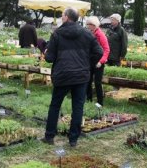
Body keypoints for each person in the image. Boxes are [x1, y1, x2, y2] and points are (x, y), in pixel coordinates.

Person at [42, 8, 103, 147]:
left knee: (55, 105)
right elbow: (99, 52)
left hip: (62, 74)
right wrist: (87, 63)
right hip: (81, 76)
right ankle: (73, 139)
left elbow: (49, 58)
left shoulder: (57, 33)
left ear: (67, 17)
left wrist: (46, 52)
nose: (61, 17)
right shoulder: (87, 33)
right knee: (78, 107)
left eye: (62, 15)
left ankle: (49, 136)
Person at [85, 16, 110, 106]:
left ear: (93, 25)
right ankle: (89, 99)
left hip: (99, 61)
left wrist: (101, 62)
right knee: (88, 80)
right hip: (91, 59)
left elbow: (107, 50)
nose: (87, 26)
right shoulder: (91, 33)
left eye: (88, 25)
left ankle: (100, 102)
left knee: (97, 82)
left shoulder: (100, 34)